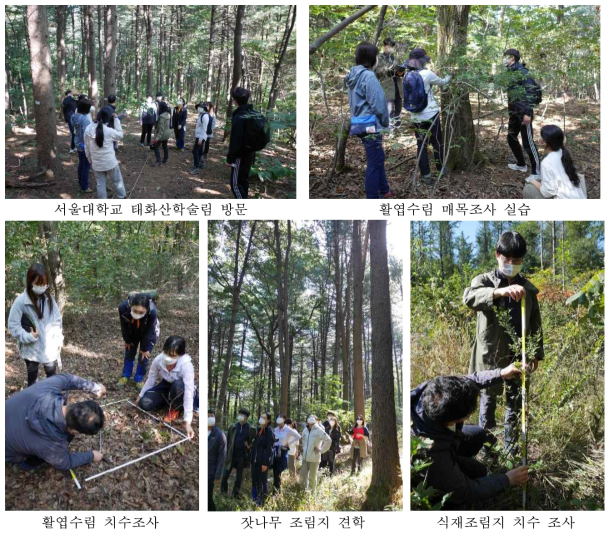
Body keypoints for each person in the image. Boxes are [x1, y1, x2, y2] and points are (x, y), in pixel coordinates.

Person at [463, 231, 544, 452]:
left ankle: (512, 451)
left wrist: (536, 353)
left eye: (516, 261)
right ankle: (488, 453)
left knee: (515, 404)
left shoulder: (528, 289)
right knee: (487, 406)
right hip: (490, 357)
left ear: (522, 261)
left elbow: (535, 322)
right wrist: (500, 292)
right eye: (506, 260)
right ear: (497, 255)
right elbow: (469, 298)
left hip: (518, 356)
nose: (511, 264)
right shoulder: (483, 281)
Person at [410, 364, 530, 509]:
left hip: (446, 441)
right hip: (434, 468)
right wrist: (507, 480)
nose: (470, 415)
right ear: (451, 420)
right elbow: (467, 491)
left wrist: (502, 373)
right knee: (477, 473)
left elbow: (471, 380)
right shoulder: (429, 451)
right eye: (468, 415)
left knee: (479, 435)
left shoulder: (438, 390)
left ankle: (455, 461)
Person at [5, 373, 106, 471]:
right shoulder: (53, 445)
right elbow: (65, 463)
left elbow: (69, 378)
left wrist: (96, 387)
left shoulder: (48, 388)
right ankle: (26, 464)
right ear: (75, 431)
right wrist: (91, 455)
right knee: (35, 456)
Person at [346, 42, 392, 199]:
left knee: (378, 158)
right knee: (374, 161)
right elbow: (378, 102)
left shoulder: (353, 75)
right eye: (376, 56)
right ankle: (373, 198)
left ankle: (384, 189)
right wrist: (385, 121)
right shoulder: (367, 76)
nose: (378, 58)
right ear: (371, 58)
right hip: (370, 124)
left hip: (359, 123)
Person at [8, 263, 63, 387]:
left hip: (49, 347)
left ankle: (53, 404)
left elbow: (57, 320)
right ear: (30, 282)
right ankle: (33, 405)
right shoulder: (21, 301)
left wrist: (59, 340)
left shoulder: (49, 299)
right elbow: (13, 325)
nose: (42, 287)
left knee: (52, 380)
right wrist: (28, 336)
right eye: (39, 284)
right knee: (32, 382)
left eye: (44, 284)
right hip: (31, 349)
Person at [405, 47, 451, 186]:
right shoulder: (427, 74)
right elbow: (443, 82)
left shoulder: (407, 75)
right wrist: (451, 75)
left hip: (415, 116)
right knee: (437, 141)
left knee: (421, 145)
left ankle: (426, 175)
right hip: (431, 114)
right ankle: (441, 169)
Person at [137, 335, 197, 438]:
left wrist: (187, 422)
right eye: (166, 353)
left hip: (180, 389)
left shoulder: (186, 366)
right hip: (165, 386)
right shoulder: (158, 360)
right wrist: (140, 396)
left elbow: (188, 392)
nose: (168, 357)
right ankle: (167, 402)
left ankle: (175, 409)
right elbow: (151, 379)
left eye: (173, 355)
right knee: (144, 403)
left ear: (180, 355)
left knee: (178, 385)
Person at [503, 48, 541, 180]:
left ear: (512, 58)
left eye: (506, 57)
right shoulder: (511, 72)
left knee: (528, 142)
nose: (504, 59)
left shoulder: (522, 72)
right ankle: (521, 164)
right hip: (514, 112)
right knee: (511, 137)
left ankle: (537, 171)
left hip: (523, 113)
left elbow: (530, 92)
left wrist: (528, 113)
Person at [523, 125, 587, 199]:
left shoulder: (546, 163)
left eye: (541, 136)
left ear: (544, 141)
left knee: (529, 188)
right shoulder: (562, 152)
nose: (539, 138)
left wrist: (532, 181)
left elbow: (547, 192)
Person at [117, 293, 160, 390]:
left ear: (146, 309)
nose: (137, 314)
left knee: (144, 356)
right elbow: (123, 326)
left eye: (141, 312)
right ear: (131, 305)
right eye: (135, 311)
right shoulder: (123, 307)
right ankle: (125, 376)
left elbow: (150, 331)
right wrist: (127, 340)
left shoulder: (152, 311)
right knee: (129, 352)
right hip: (132, 330)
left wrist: (145, 348)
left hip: (149, 332)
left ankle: (139, 379)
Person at [227, 87, 262, 198]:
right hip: (250, 153)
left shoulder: (239, 117)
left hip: (240, 156)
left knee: (235, 184)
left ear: (235, 101)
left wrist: (231, 158)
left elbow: (235, 140)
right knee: (244, 181)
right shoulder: (252, 113)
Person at [84, 108, 127, 199]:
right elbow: (120, 134)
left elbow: (87, 147)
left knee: (100, 184)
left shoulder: (88, 129)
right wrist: (116, 120)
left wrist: (89, 159)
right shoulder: (109, 131)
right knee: (117, 180)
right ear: (108, 119)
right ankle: (122, 197)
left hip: (97, 163)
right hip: (110, 162)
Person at [220, 408, 257, 498]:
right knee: (224, 476)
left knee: (239, 479)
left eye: (243, 415)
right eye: (240, 414)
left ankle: (235, 495)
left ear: (246, 418)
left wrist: (249, 446)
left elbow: (255, 440)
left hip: (242, 457)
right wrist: (225, 454)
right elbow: (227, 441)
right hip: (231, 455)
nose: (240, 416)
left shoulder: (251, 428)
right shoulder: (233, 427)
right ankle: (224, 495)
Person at [376, 38, 403, 132]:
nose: (390, 48)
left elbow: (401, 71)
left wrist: (401, 71)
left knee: (399, 107)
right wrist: (387, 69)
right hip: (387, 87)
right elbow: (376, 72)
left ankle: (397, 127)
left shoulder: (395, 58)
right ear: (384, 46)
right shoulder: (379, 58)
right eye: (388, 46)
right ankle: (390, 128)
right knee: (390, 108)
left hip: (397, 86)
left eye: (392, 46)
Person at [300, 414, 332, 491]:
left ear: (315, 420)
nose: (310, 419)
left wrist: (321, 450)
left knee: (312, 477)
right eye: (309, 418)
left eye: (312, 418)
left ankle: (312, 493)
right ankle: (302, 492)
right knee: (303, 476)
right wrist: (304, 449)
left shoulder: (319, 430)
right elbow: (303, 440)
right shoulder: (305, 430)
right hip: (305, 458)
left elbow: (328, 440)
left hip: (314, 458)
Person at [250, 412, 275, 506]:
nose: (262, 419)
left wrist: (265, 463)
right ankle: (254, 499)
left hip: (262, 462)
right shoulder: (259, 430)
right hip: (254, 461)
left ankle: (262, 501)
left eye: (264, 418)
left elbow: (269, 449)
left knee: (262, 482)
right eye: (261, 417)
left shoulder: (269, 432)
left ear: (268, 420)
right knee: (254, 481)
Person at [272, 413, 301, 492]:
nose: (279, 418)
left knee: (279, 471)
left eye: (281, 417)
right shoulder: (275, 429)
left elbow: (298, 436)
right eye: (278, 417)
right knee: (275, 472)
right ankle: (276, 489)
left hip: (283, 451)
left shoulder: (287, 429)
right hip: (275, 452)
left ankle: (278, 490)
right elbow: (272, 439)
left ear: (284, 419)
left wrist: (289, 443)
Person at [71, 98, 94, 193]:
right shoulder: (85, 120)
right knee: (86, 166)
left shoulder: (74, 116)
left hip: (78, 144)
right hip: (85, 146)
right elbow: (87, 135)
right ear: (86, 109)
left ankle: (81, 182)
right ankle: (84, 186)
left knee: (81, 164)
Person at [208, 409, 227, 512]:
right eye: (207, 416)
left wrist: (218, 474)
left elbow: (222, 456)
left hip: (210, 472)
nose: (209, 418)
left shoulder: (219, 435)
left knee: (208, 498)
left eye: (211, 416)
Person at [190, 101, 210, 175]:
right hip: (198, 136)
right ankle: (201, 163)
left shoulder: (205, 116)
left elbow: (204, 129)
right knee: (199, 151)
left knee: (195, 151)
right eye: (199, 107)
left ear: (204, 108)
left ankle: (196, 168)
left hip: (201, 137)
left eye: (201, 107)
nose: (199, 108)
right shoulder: (201, 115)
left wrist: (201, 139)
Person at [152, 101, 172, 167]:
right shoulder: (168, 114)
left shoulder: (162, 117)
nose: (158, 108)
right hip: (167, 133)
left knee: (155, 147)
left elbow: (161, 130)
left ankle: (159, 161)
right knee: (165, 146)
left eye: (159, 107)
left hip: (162, 135)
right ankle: (165, 159)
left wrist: (156, 139)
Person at [61, 89, 78, 154]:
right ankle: (72, 148)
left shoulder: (72, 100)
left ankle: (74, 147)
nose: (72, 94)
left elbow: (78, 102)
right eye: (71, 93)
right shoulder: (66, 100)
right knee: (73, 133)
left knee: (75, 133)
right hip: (69, 118)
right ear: (68, 94)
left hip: (74, 118)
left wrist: (80, 95)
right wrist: (69, 96)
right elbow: (65, 103)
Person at [201, 102, 217, 167]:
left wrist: (210, 130)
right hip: (204, 130)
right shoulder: (205, 112)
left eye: (208, 105)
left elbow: (213, 123)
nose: (207, 106)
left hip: (209, 131)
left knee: (207, 142)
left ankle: (205, 153)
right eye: (206, 105)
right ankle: (201, 153)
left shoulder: (213, 114)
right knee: (202, 142)